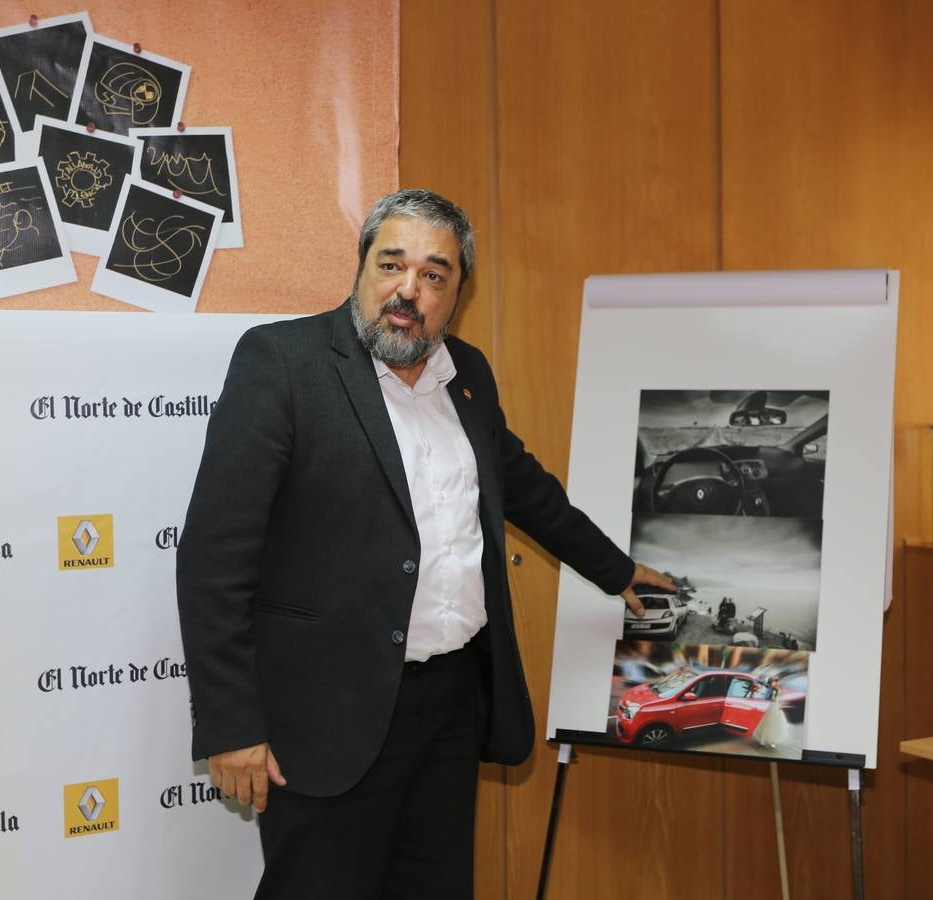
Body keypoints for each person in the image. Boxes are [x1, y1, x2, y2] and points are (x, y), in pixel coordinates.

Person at [175, 189, 674, 899]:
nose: (408, 289)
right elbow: (212, 559)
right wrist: (230, 724)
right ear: (362, 269)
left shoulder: (466, 374)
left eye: (434, 274)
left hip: (448, 705)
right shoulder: (282, 363)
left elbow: (522, 484)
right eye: (392, 264)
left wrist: (616, 570)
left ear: (456, 293)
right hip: (326, 716)